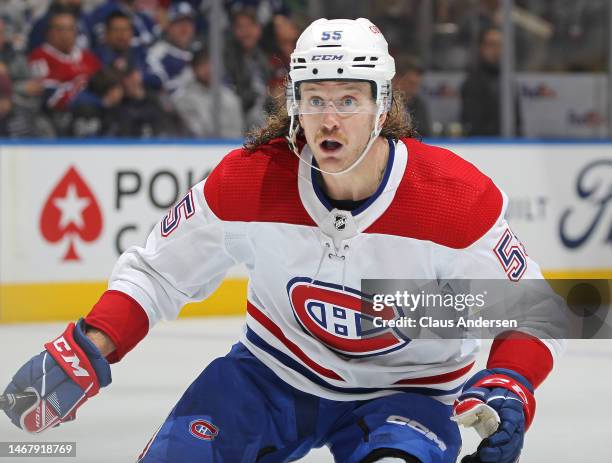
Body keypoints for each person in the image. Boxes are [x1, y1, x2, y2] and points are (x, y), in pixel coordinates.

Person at [3, 18, 564, 463]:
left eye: (349, 100)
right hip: (271, 376)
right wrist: (88, 348)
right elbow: (158, 272)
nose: (329, 119)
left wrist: (510, 382)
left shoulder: (453, 199)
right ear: (294, 102)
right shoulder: (249, 180)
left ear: (383, 105)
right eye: (315, 98)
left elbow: (534, 312)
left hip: (408, 393)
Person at [172, 48, 244, 138]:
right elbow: (194, 133)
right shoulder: (184, 100)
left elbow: (237, 133)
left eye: (211, 64)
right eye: (202, 65)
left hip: (229, 148)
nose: (208, 69)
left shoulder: (231, 98)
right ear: (194, 69)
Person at [393, 55, 432, 137]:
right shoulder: (384, 104)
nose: (414, 90)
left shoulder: (419, 104)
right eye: (411, 83)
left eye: (417, 84)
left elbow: (426, 134)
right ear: (396, 79)